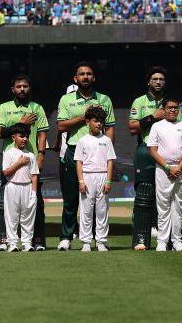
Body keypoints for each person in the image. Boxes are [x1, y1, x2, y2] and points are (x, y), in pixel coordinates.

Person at [56, 62, 114, 251]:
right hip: (75, 151)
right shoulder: (66, 100)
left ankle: (99, 239)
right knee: (72, 197)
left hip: (99, 151)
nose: (85, 77)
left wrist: (107, 147)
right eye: (82, 74)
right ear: (76, 78)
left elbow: (111, 126)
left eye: (89, 74)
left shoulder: (104, 99)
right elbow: (61, 126)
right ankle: (66, 237)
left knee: (99, 201)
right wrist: (84, 117)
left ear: (94, 77)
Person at [0, 74, 48, 252]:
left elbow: (42, 134)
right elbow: (0, 133)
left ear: (29, 88)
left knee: (35, 204)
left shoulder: (37, 108)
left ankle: (36, 240)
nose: (22, 89)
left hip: (30, 161)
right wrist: (20, 123)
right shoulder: (4, 107)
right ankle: (3, 240)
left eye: (25, 86)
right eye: (19, 86)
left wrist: (40, 155)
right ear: (13, 90)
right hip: (10, 162)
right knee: (4, 205)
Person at [128, 66, 167, 250]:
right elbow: (132, 128)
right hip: (145, 150)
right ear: (148, 82)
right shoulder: (140, 102)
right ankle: (142, 232)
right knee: (144, 192)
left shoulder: (170, 103)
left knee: (165, 194)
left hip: (166, 152)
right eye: (155, 79)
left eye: (161, 79)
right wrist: (153, 117)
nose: (158, 81)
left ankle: (166, 234)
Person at [147, 98, 182, 252]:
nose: (173, 110)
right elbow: (153, 151)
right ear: (164, 109)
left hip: (181, 169)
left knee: (178, 207)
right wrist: (168, 167)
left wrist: (178, 167)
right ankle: (162, 241)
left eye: (175, 108)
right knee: (163, 207)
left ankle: (177, 241)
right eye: (169, 108)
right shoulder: (156, 126)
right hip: (163, 169)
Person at [74, 106, 116, 252]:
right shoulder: (82, 141)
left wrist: (108, 181)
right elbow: (79, 162)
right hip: (87, 176)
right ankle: (86, 242)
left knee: (102, 211)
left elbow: (110, 161)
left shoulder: (106, 140)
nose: (99, 124)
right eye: (95, 121)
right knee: (86, 211)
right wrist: (81, 181)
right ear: (87, 122)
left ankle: (101, 241)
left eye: (101, 121)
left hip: (102, 176)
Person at [1, 123, 40, 253]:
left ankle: (27, 243)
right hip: (12, 187)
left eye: (26, 136)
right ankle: (12, 243)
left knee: (27, 217)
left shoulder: (31, 155)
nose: (24, 139)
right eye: (21, 136)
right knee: (11, 217)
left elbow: (34, 175)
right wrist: (19, 163)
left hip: (27, 187)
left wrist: (34, 193)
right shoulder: (8, 153)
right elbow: (6, 173)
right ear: (13, 137)